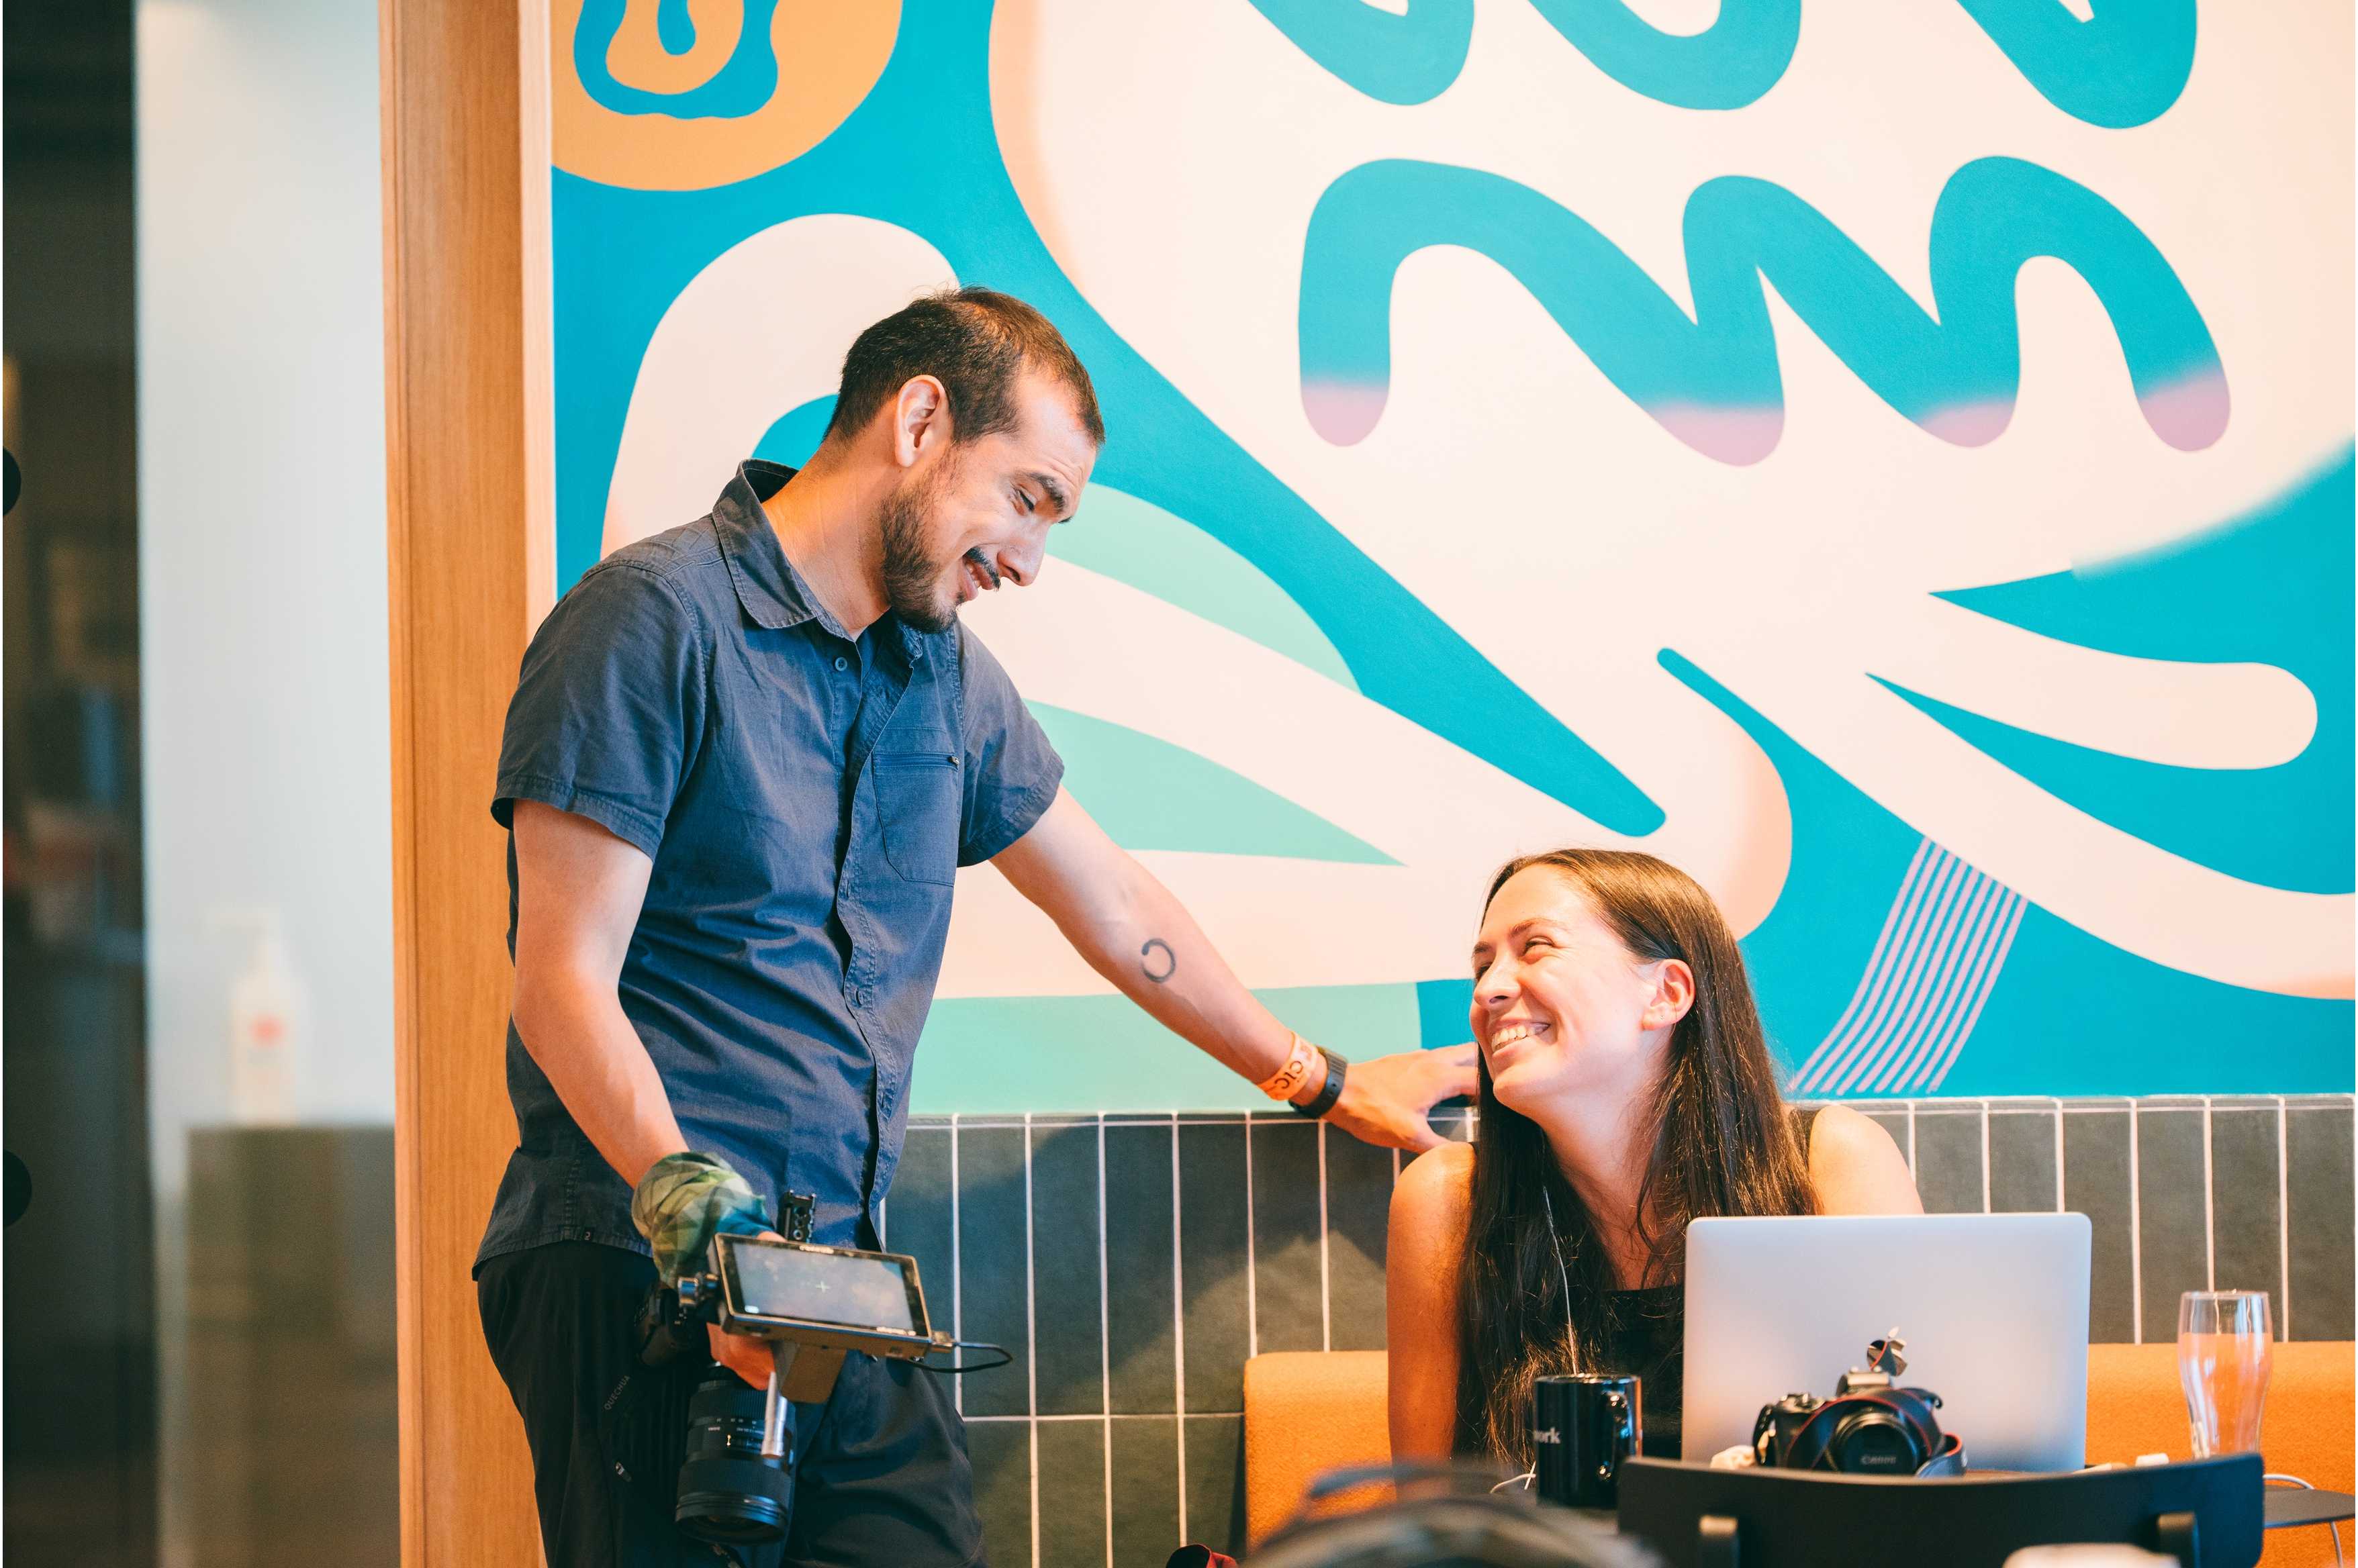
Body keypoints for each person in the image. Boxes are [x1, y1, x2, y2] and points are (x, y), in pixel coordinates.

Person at [472, 287, 1478, 1567]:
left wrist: (1319, 1078)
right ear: (919, 422)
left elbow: (1112, 903)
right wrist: (706, 1237)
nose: (1029, 559)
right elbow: (561, 982)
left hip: (832, 1279)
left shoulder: (939, 674)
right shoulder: (649, 619)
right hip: (633, 1258)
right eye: (1029, 498)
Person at [1385, 848, 1921, 1469]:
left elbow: (1912, 1454)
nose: (1489, 989)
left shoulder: (1832, 1161)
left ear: (1667, 994)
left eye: (1535, 948)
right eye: (1483, 967)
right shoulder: (1447, 1198)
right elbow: (1423, 1503)